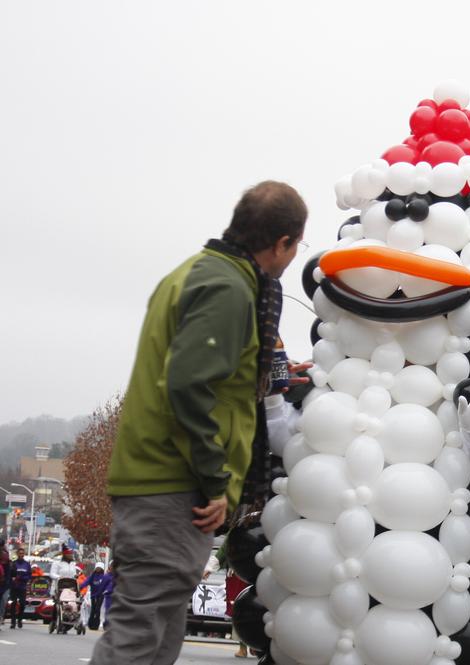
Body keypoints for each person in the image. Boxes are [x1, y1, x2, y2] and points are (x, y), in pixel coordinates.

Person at [91, 181, 308, 665]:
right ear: (283, 244)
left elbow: (205, 372)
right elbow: (188, 386)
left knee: (158, 631)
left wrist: (263, 371)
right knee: (140, 633)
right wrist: (215, 481)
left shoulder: (195, 274)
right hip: (173, 487)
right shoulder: (229, 289)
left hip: (158, 481)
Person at [80, 564, 112, 630]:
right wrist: (80, 587)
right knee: (93, 609)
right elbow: (86, 582)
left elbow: (107, 584)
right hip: (93, 595)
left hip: (101, 595)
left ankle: (96, 624)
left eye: (99, 568)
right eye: (97, 568)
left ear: (102, 569)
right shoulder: (92, 576)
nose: (98, 569)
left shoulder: (104, 576)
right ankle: (91, 624)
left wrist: (106, 590)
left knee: (98, 610)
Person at [8, 548, 31, 629]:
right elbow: (10, 574)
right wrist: (13, 578)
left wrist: (22, 578)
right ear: (17, 554)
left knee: (22, 604)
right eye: (20, 553)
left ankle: (20, 620)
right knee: (13, 604)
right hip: (14, 587)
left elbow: (29, 575)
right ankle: (13, 622)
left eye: (22, 553)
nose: (21, 555)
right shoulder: (13, 564)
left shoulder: (27, 564)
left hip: (22, 587)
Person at [0, 539, 10, 632]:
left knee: (3, 602)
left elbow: (8, 572)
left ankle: (1, 617)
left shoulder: (5, 556)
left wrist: (7, 582)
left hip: (3, 584)